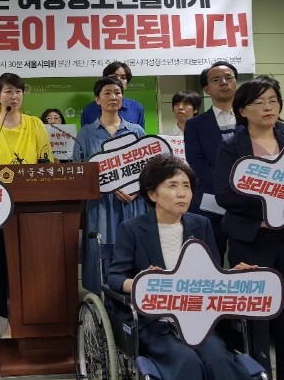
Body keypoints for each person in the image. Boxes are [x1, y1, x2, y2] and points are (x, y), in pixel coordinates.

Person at [106, 154, 254, 380]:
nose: (182, 193)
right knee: (187, 361)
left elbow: (212, 275)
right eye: (172, 186)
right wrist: (141, 282)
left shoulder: (201, 224)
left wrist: (234, 276)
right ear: (152, 194)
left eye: (186, 186)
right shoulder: (132, 229)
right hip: (155, 322)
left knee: (218, 360)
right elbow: (115, 276)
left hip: (197, 318)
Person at [0, 72, 53, 337]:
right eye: (8, 91)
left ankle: (36, 315)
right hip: (0, 206)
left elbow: (46, 162)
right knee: (5, 265)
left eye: (18, 91)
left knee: (33, 262)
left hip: (32, 206)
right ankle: (11, 320)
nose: (14, 96)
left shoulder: (35, 124)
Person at [215, 75, 284, 378]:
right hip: (252, 238)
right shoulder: (232, 147)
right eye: (259, 102)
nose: (268, 107)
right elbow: (225, 195)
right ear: (243, 110)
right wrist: (270, 204)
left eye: (273, 100)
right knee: (257, 315)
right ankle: (259, 373)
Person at [75, 76, 147, 292]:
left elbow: (147, 168)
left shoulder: (136, 131)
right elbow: (79, 171)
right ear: (97, 99)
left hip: (132, 201)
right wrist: (107, 185)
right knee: (101, 249)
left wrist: (137, 190)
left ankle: (135, 292)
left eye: (117, 92)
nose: (113, 97)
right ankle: (100, 296)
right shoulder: (86, 133)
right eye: (107, 93)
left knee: (133, 246)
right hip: (100, 204)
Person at [184, 61, 238, 265]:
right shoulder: (195, 124)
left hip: (248, 203)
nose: (224, 82)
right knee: (210, 262)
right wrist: (226, 189)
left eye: (229, 77)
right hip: (210, 202)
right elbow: (196, 161)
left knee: (247, 263)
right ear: (206, 89)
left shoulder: (251, 119)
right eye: (216, 79)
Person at [80, 61, 145, 129]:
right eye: (114, 76)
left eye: (123, 77)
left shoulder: (136, 108)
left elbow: (140, 135)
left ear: (127, 83)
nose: (119, 80)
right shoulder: (89, 110)